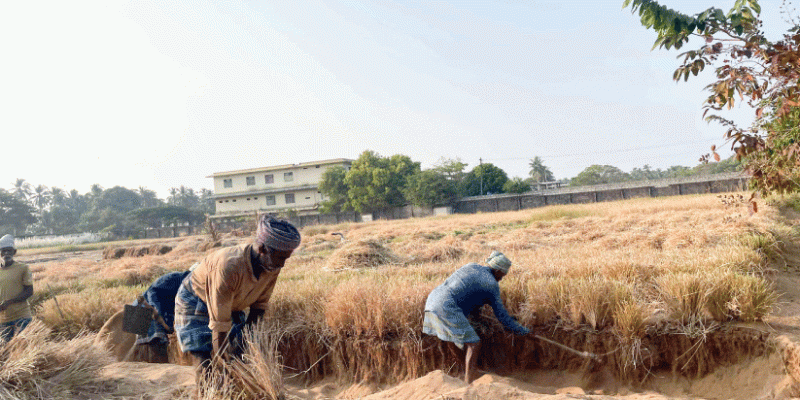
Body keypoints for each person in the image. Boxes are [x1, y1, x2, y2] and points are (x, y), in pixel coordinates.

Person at [174, 215, 301, 382]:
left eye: (286, 258)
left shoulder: (272, 265)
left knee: (238, 355)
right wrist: (226, 365)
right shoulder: (229, 267)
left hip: (231, 304)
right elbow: (220, 325)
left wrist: (241, 348)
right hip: (195, 299)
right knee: (205, 361)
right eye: (280, 258)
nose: (283, 264)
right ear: (263, 249)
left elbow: (258, 308)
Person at [422, 250, 529, 383]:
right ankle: (469, 381)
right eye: (503, 274)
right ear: (498, 271)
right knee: (474, 343)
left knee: (450, 337)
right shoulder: (491, 284)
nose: (502, 278)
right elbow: (502, 317)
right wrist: (521, 330)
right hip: (446, 307)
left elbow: (468, 295)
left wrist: (508, 321)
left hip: (432, 300)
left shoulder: (472, 266)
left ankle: (466, 369)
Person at [0, 234, 33, 343]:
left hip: (21, 317)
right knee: (7, 351)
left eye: (9, 251)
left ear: (14, 252)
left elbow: (29, 291)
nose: (6, 254)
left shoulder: (22, 268)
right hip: (3, 319)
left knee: (23, 347)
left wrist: (9, 302)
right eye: (3, 251)